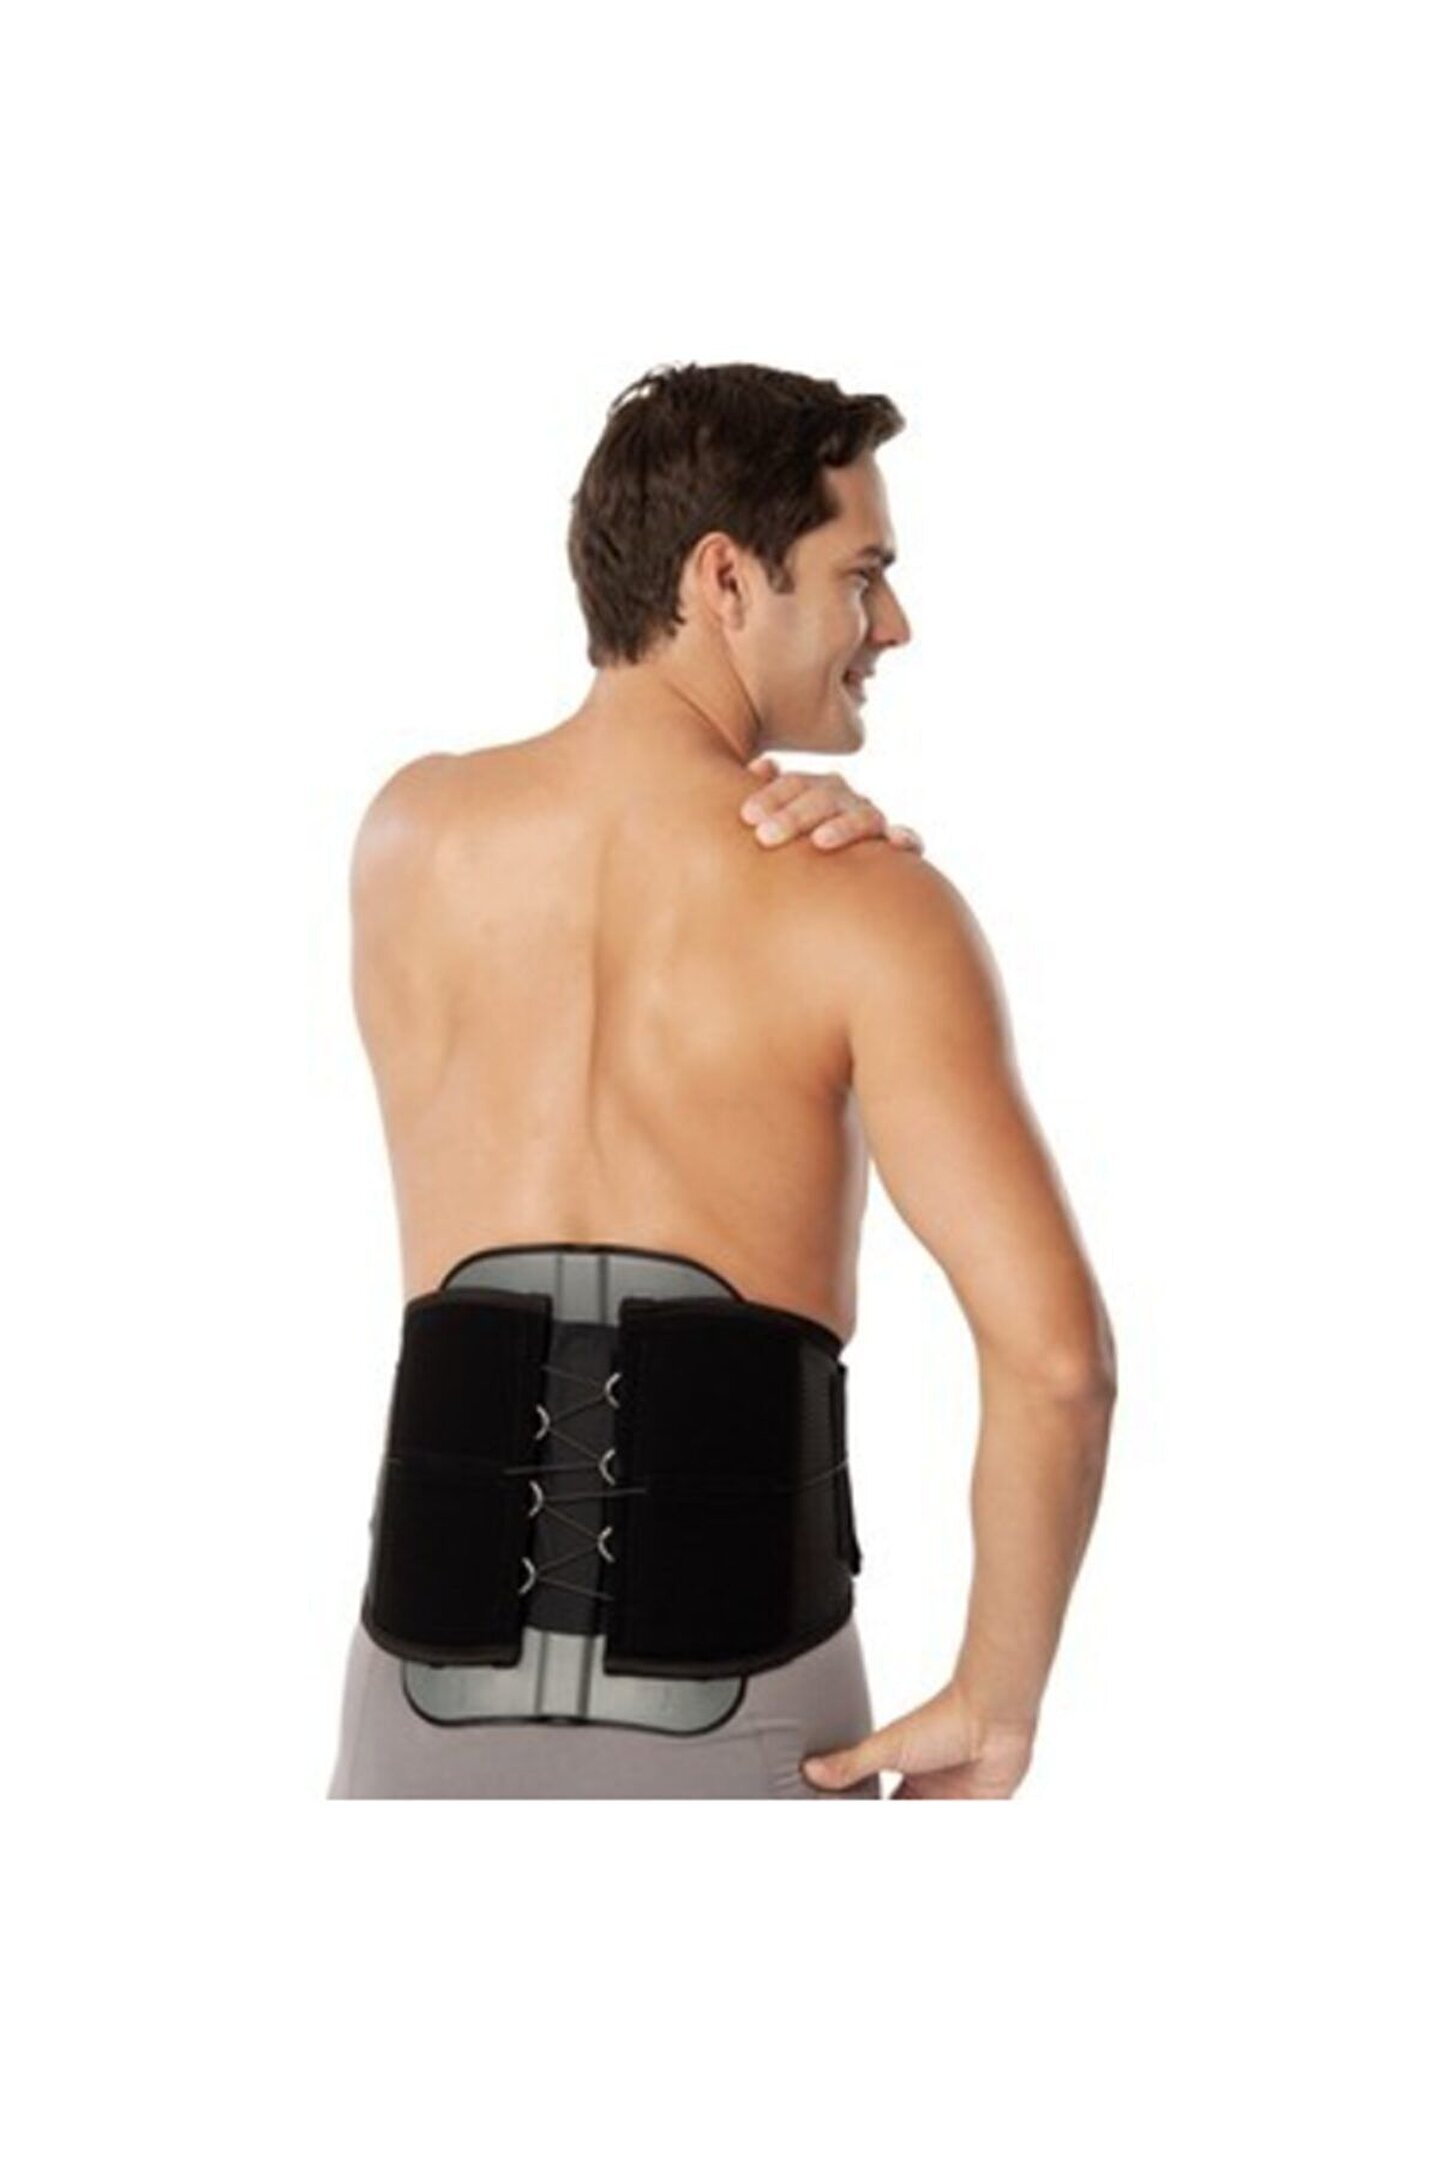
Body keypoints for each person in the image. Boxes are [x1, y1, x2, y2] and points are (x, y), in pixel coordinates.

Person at [326, 361, 1116, 1800]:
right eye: (862, 574)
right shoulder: (868, 908)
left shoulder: (407, 838)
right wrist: (996, 1703)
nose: (893, 623)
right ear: (726, 579)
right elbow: (1059, 1365)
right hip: (746, 1716)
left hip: (410, 1724)